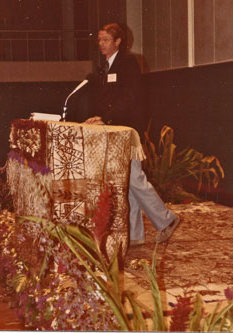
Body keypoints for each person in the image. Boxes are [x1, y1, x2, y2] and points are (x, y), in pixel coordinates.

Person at [67, 23, 180, 245]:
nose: (101, 44)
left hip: (127, 129)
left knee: (134, 177)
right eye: (99, 39)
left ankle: (167, 220)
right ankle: (135, 234)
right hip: (113, 129)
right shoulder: (103, 67)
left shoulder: (127, 63)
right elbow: (103, 100)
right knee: (128, 180)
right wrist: (96, 116)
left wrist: (106, 118)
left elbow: (130, 98)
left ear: (118, 42)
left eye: (106, 40)